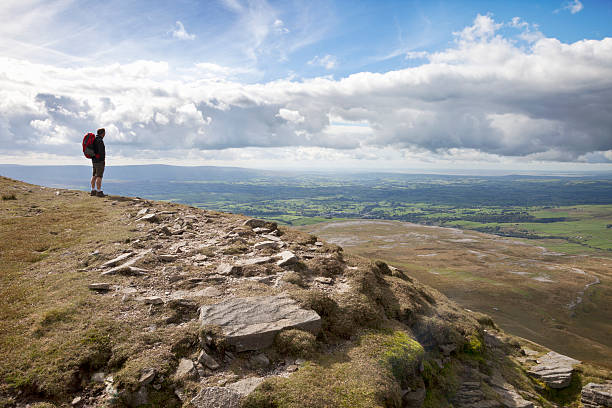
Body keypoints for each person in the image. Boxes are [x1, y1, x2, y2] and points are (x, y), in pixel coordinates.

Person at [90, 128, 106, 197]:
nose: (105, 134)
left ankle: (93, 190)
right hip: (99, 161)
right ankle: (99, 192)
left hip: (94, 160)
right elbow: (101, 152)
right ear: (102, 133)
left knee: (94, 175)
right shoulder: (100, 141)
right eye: (104, 133)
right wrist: (103, 160)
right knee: (99, 176)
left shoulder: (94, 140)